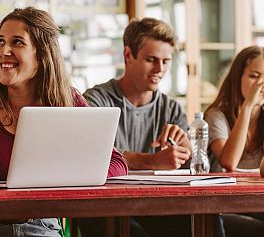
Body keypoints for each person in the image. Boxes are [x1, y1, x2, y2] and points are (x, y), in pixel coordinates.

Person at [0, 7, 128, 237]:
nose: (4, 51)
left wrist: (73, 172)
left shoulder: (66, 99)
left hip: (44, 226)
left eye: (17, 43)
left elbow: (116, 162)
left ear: (42, 55)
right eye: (0, 41)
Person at [80, 18, 224, 237]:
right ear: (128, 55)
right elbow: (91, 158)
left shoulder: (172, 108)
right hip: (104, 207)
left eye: (166, 61)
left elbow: (192, 166)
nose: (160, 69)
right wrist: (153, 161)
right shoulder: (96, 100)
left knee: (210, 223)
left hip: (156, 206)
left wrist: (185, 150)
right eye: (151, 60)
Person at [205, 45, 264, 236]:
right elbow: (229, 162)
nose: (260, 85)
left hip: (256, 202)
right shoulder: (217, 115)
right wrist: (248, 107)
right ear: (237, 78)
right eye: (254, 76)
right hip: (222, 206)